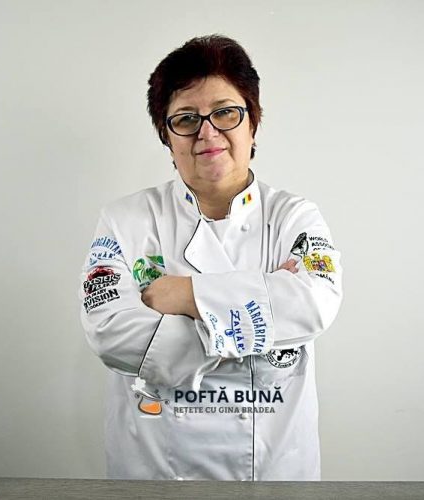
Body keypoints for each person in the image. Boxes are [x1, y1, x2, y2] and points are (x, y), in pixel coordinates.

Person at [79, 34, 343, 481]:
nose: (207, 132)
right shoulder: (125, 220)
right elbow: (109, 331)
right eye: (186, 119)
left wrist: (183, 296)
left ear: (252, 123)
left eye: (225, 112)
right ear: (167, 137)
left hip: (272, 471)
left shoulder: (295, 216)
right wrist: (259, 314)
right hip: (155, 472)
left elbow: (314, 304)